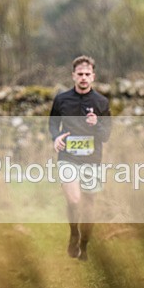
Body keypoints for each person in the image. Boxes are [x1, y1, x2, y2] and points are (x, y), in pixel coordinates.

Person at [49, 55, 111, 261]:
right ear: (73, 76)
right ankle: (74, 232)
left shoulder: (101, 102)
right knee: (74, 199)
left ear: (93, 76)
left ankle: (84, 245)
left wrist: (97, 124)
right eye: (80, 74)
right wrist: (56, 137)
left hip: (92, 160)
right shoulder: (61, 99)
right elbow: (52, 124)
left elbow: (106, 135)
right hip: (68, 157)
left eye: (87, 74)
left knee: (88, 205)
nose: (83, 78)